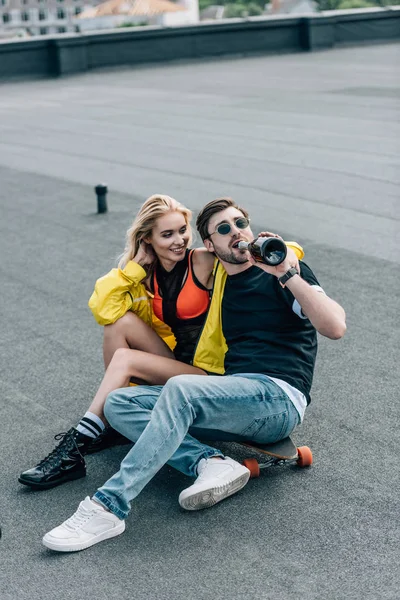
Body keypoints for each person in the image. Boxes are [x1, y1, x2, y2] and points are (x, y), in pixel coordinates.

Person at [42, 197, 346, 552]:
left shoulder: (283, 276)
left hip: (278, 398)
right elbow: (111, 306)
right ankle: (210, 463)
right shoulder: (221, 284)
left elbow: (335, 326)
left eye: (240, 223)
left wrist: (289, 273)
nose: (236, 232)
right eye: (224, 229)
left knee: (182, 389)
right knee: (119, 403)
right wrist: (137, 268)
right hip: (230, 393)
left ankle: (107, 507)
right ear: (210, 247)